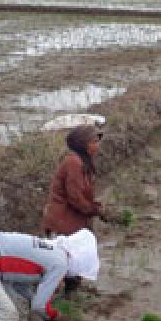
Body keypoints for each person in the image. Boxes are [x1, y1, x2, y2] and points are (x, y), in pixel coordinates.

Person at [42, 123, 112, 294]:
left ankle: (69, 293)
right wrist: (96, 210)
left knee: (72, 258)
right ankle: (59, 296)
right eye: (94, 141)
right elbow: (75, 198)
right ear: (83, 144)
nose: (97, 145)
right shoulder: (73, 163)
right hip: (64, 221)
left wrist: (95, 208)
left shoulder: (81, 161)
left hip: (72, 220)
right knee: (67, 258)